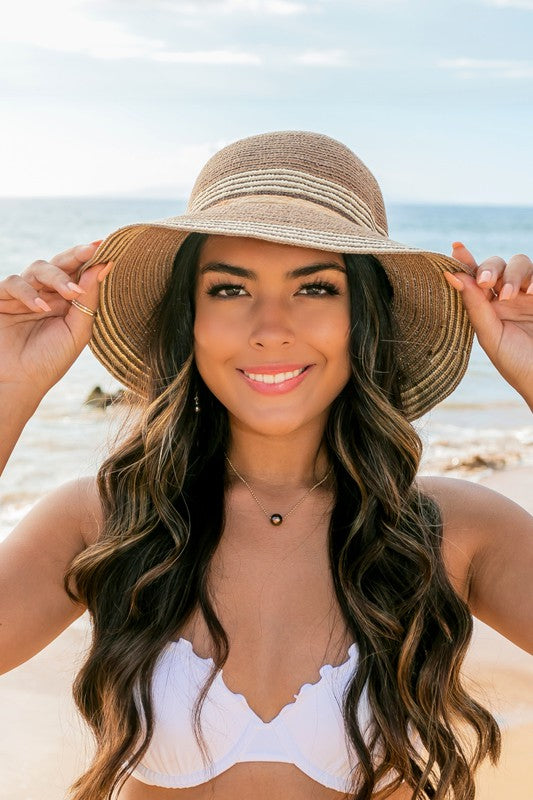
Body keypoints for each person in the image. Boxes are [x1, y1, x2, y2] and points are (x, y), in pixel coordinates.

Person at [0, 130, 532, 800]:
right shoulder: (108, 520)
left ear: (361, 315)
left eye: (314, 288)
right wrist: (8, 390)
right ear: (186, 317)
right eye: (228, 289)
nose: (271, 326)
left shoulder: (451, 531)